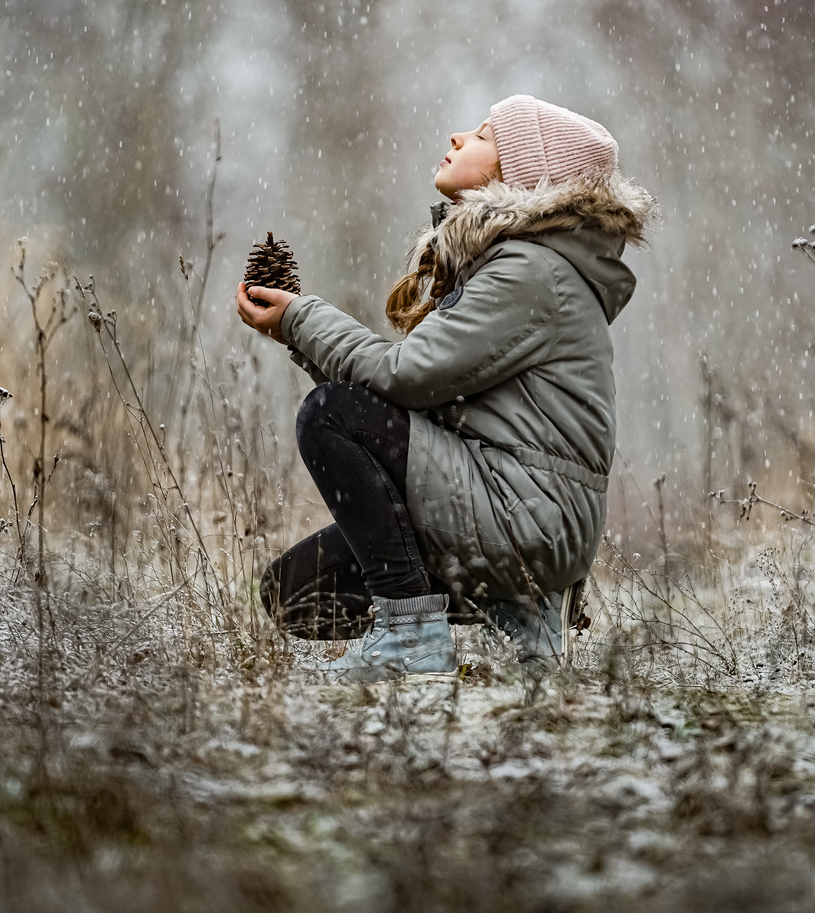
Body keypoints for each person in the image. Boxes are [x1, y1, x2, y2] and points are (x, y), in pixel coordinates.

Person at [236, 94, 655, 681]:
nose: (459, 138)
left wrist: (300, 318)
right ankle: (519, 604)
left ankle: (411, 636)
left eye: (484, 135)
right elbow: (414, 394)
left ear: (522, 174)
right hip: (511, 501)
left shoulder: (530, 271)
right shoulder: (524, 264)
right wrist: (295, 332)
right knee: (295, 593)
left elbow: (404, 377)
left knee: (330, 414)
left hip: (526, 515)